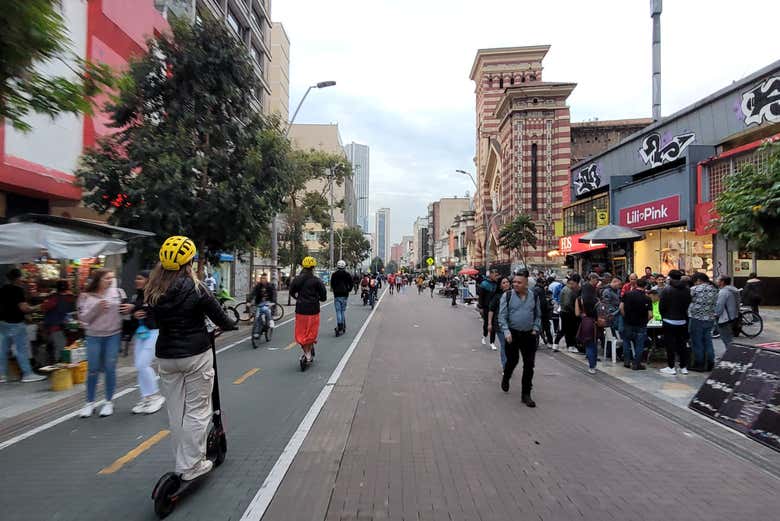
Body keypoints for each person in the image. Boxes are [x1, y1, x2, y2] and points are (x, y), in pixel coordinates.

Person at [146, 236, 236, 482]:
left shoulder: (153, 290)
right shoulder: (197, 288)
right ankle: (192, 465)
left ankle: (182, 461)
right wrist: (230, 326)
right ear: (190, 263)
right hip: (196, 355)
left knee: (176, 413)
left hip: (166, 357)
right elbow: (221, 318)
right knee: (197, 411)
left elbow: (152, 321)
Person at [78, 269, 131, 417]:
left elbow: (125, 314)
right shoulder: (85, 296)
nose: (110, 280)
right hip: (93, 336)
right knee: (93, 369)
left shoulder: (118, 293)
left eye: (112, 278)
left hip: (113, 335)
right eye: (107, 278)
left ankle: (108, 402)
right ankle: (89, 402)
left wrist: (128, 310)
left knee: (110, 368)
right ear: (98, 280)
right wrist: (97, 308)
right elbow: (83, 320)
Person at [498, 271, 541, 407]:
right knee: (513, 360)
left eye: (519, 282)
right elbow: (502, 316)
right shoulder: (508, 295)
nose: (515, 284)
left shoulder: (534, 296)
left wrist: (535, 328)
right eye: (514, 282)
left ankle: (526, 394)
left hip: (529, 334)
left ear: (526, 284)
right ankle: (506, 377)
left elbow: (538, 315)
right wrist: (506, 331)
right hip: (512, 334)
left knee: (529, 364)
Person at [0, 269, 47, 383]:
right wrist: (38, 307)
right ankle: (27, 374)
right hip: (16, 323)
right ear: (18, 278)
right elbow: (24, 308)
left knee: (3, 350)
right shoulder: (17, 290)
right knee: (22, 350)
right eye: (21, 277)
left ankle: (1, 375)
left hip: (3, 323)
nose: (23, 280)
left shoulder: (2, 289)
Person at [128, 270, 165, 414]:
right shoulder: (138, 295)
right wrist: (134, 313)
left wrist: (144, 311)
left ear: (148, 280)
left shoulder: (156, 295)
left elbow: (159, 313)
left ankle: (156, 396)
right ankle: (146, 397)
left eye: (140, 278)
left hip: (154, 332)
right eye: (136, 278)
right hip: (141, 334)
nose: (136, 281)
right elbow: (136, 312)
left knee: (142, 364)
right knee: (140, 366)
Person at [290, 257, 328, 363]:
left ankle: (307, 352)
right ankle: (308, 352)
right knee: (311, 332)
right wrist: (317, 298)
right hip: (313, 310)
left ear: (303, 266)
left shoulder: (297, 280)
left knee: (301, 333)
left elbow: (292, 292)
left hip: (300, 310)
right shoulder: (317, 281)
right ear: (313, 267)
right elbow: (324, 297)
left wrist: (298, 298)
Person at [658, 270, 692, 376]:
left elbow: (662, 306)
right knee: (682, 344)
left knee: (670, 345)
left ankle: (671, 366)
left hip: (669, 320)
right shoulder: (687, 290)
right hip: (682, 320)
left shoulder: (666, 290)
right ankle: (683, 367)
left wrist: (664, 316)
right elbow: (688, 304)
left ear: (670, 278)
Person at [39, 279, 76, 365]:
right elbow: (74, 312)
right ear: (67, 287)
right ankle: (59, 365)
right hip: (67, 327)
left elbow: (44, 307)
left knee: (60, 347)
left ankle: (58, 366)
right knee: (62, 347)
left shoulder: (54, 297)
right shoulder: (70, 297)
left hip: (55, 327)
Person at [688, 272, 719, 372]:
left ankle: (699, 363)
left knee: (697, 342)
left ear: (698, 280)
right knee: (708, 341)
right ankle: (710, 361)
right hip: (709, 318)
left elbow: (688, 301)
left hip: (696, 318)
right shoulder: (714, 289)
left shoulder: (695, 289)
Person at [620, 278, 652, 370]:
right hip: (641, 324)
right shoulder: (647, 298)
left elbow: (621, 307)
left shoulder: (627, 294)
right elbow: (650, 315)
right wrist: (645, 321)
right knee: (639, 344)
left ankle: (626, 361)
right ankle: (636, 363)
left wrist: (625, 317)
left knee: (626, 341)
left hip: (628, 322)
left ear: (636, 285)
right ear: (645, 286)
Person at [575, 278, 600, 374]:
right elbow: (600, 312)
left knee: (588, 345)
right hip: (596, 323)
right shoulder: (596, 299)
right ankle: (594, 364)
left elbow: (577, 313)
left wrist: (583, 315)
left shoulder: (579, 299)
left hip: (586, 322)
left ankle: (591, 366)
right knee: (594, 343)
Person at [488, 276, 511, 369]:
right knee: (504, 345)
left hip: (512, 324)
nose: (506, 284)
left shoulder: (514, 295)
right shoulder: (497, 296)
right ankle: (505, 366)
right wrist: (489, 323)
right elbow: (491, 310)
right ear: (500, 286)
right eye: (503, 283)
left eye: (507, 282)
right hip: (499, 324)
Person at [715, 275, 740, 350]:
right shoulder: (733, 290)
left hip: (725, 318)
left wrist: (716, 314)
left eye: (718, 279)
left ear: (722, 282)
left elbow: (719, 305)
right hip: (733, 316)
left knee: (726, 338)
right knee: (729, 338)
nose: (716, 281)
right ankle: (731, 353)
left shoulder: (723, 292)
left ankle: (731, 355)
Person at [557, 274, 580, 352]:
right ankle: (570, 345)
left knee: (566, 330)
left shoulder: (566, 289)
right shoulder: (568, 290)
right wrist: (574, 310)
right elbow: (567, 304)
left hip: (565, 312)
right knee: (569, 330)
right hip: (568, 313)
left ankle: (566, 345)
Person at [330, 260, 353, 336]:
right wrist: (349, 290)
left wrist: (334, 290)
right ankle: (342, 325)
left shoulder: (334, 275)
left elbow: (332, 284)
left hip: (337, 295)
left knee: (338, 311)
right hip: (345, 294)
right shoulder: (347, 274)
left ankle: (340, 324)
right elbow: (351, 283)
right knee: (342, 311)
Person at [251, 273, 277, 338]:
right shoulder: (258, 286)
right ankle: (257, 332)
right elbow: (253, 293)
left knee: (266, 310)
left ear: (266, 279)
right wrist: (249, 301)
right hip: (259, 303)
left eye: (264, 278)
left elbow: (274, 294)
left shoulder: (270, 286)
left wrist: (273, 302)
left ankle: (270, 321)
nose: (263, 280)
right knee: (257, 317)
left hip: (268, 302)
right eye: (262, 278)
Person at [477, 270, 499, 349]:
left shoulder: (497, 284)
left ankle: (492, 342)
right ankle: (484, 335)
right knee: (486, 324)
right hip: (486, 307)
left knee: (493, 325)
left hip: (494, 308)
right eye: (495, 275)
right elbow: (481, 297)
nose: (496, 277)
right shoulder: (484, 284)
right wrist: (481, 307)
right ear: (490, 275)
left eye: (497, 275)